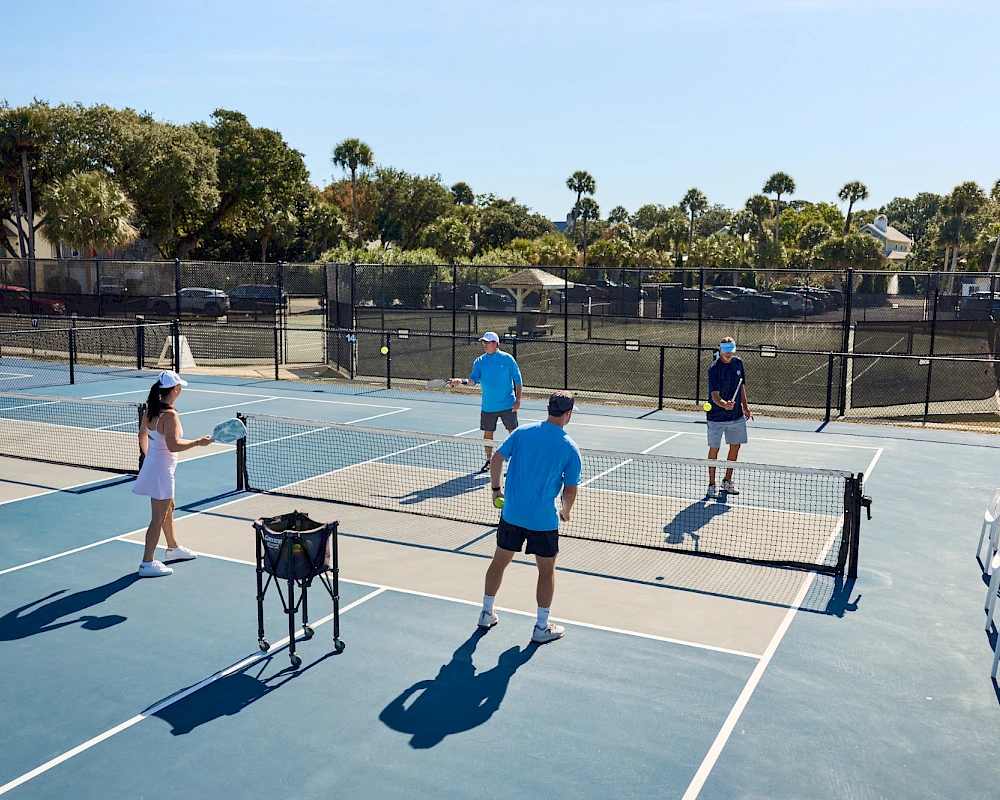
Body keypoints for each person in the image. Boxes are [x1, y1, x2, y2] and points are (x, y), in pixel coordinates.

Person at [477, 391, 581, 644]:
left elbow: (496, 459)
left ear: (548, 408)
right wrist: (566, 512)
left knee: (499, 561)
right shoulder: (569, 447)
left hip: (511, 513)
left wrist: (495, 491)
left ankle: (486, 613)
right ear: (567, 414)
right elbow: (570, 489)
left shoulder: (522, 433)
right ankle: (541, 627)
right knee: (546, 571)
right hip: (542, 521)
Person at [132, 370, 212, 577]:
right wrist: (198, 442)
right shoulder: (170, 415)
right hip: (161, 471)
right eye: (180, 387)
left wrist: (150, 455)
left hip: (153, 466)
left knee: (169, 507)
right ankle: (146, 563)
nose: (181, 390)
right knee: (157, 517)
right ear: (175, 389)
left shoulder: (150, 410)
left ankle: (173, 547)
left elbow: (142, 434)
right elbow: (174, 445)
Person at [450, 331, 523, 473]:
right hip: (488, 406)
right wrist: (461, 381)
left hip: (508, 404)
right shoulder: (479, 362)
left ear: (496, 344)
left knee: (513, 434)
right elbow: (473, 380)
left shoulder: (508, 359)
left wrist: (518, 400)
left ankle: (517, 462)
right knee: (488, 435)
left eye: (487, 342)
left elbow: (518, 380)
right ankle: (489, 460)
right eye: (483, 342)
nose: (484, 344)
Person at [705, 337, 753, 499]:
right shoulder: (714, 368)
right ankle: (712, 485)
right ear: (720, 350)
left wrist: (745, 407)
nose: (728, 354)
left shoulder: (738, 363)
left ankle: (727, 480)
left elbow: (742, 387)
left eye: (731, 350)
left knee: (735, 447)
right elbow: (714, 395)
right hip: (716, 417)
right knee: (714, 449)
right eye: (725, 351)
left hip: (736, 416)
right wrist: (724, 404)